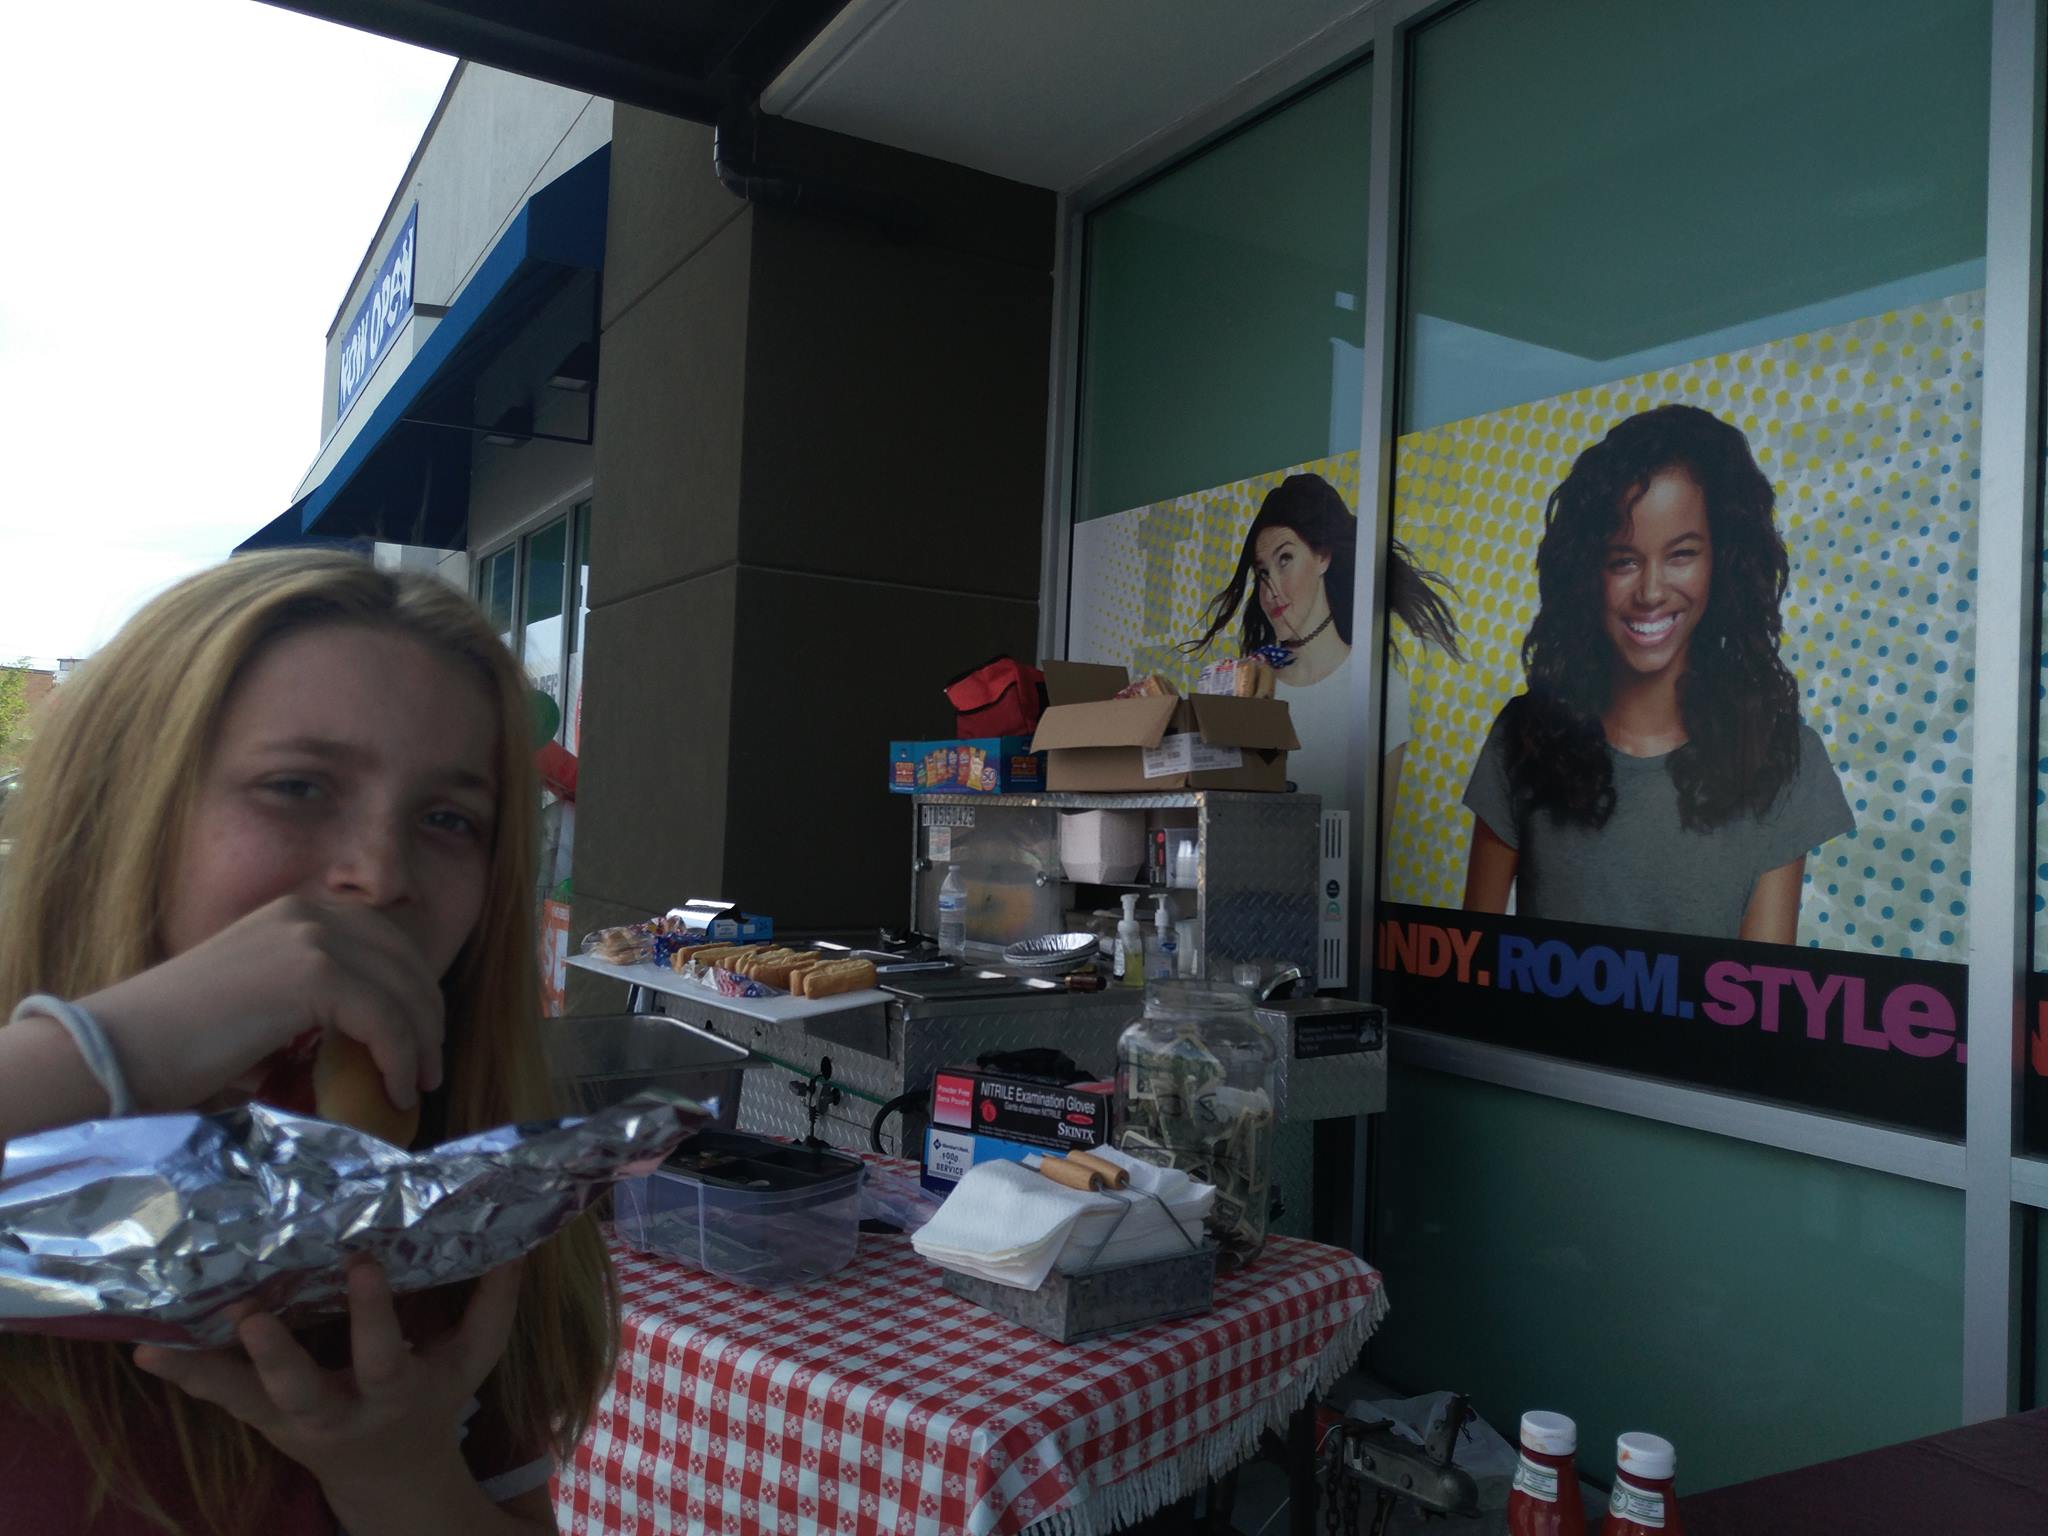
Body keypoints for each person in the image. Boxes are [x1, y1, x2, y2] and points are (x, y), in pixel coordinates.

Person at [0, 552, 616, 1535]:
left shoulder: (458, 1211)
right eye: (295, 786)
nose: (378, 874)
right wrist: (132, 1047)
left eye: (449, 818)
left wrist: (399, 1474)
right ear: (121, 812)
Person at [1461, 403, 1853, 942]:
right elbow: (1465, 964)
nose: (1649, 591)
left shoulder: (1782, 755)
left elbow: (1760, 995)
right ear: (1587, 571)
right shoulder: (1522, 736)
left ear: (1724, 561)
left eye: (1681, 554)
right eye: (1623, 560)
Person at [1186, 471, 1462, 831]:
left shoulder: (1380, 688)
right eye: (1262, 573)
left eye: (1285, 559)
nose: (1271, 590)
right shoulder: (1249, 689)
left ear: (1323, 557)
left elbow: (1373, 841)